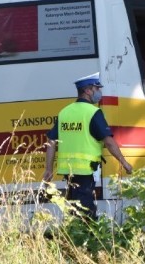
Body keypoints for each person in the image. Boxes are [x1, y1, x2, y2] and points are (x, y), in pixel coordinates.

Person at [43, 72, 133, 219]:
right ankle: (86, 237)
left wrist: (48, 169)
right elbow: (108, 141)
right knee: (86, 211)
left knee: (75, 207)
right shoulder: (93, 112)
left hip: (68, 170)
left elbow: (51, 141)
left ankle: (75, 235)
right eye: (97, 88)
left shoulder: (64, 112)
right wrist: (124, 162)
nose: (99, 92)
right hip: (85, 170)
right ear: (87, 90)